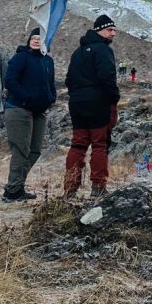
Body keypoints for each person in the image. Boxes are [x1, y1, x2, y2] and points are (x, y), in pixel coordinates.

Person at [64, 14, 120, 199]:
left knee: (78, 145)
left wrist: (78, 95)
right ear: (99, 31)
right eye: (109, 30)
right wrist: (114, 98)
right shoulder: (103, 50)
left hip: (77, 104)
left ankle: (70, 188)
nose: (113, 33)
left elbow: (69, 80)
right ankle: (98, 187)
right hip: (98, 103)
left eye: (114, 29)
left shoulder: (77, 52)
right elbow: (107, 78)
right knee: (99, 145)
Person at [2, 27, 56, 202]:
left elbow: (51, 84)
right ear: (29, 40)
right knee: (21, 150)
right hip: (18, 108)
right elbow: (10, 80)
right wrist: (25, 98)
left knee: (34, 151)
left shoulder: (48, 61)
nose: (35, 40)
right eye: (33, 37)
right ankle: (12, 191)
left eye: (39, 38)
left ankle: (17, 186)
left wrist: (51, 98)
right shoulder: (21, 57)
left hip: (39, 111)